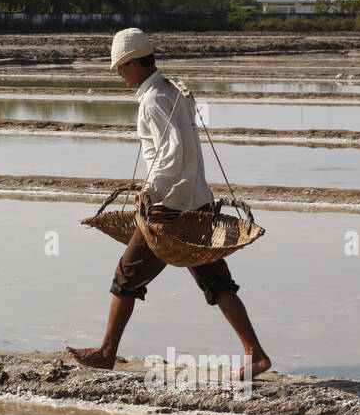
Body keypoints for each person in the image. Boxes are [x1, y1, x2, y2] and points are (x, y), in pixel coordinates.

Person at [67, 28, 270, 381]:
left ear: (133, 62)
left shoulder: (155, 99)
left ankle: (106, 353)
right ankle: (256, 354)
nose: (118, 73)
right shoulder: (174, 91)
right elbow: (182, 152)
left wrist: (151, 192)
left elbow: (172, 156)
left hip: (169, 211)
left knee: (125, 278)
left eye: (120, 66)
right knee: (217, 282)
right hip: (197, 205)